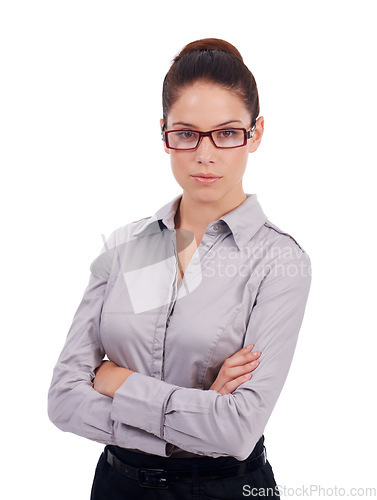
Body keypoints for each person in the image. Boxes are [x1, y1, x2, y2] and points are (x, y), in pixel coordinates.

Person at [47, 37, 312, 499]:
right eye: (186, 133)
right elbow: (64, 401)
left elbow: (235, 432)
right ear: (164, 134)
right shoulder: (129, 245)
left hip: (227, 489)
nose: (204, 154)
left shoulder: (279, 261)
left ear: (257, 132)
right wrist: (200, 410)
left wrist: (119, 381)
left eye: (227, 133)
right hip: (117, 487)